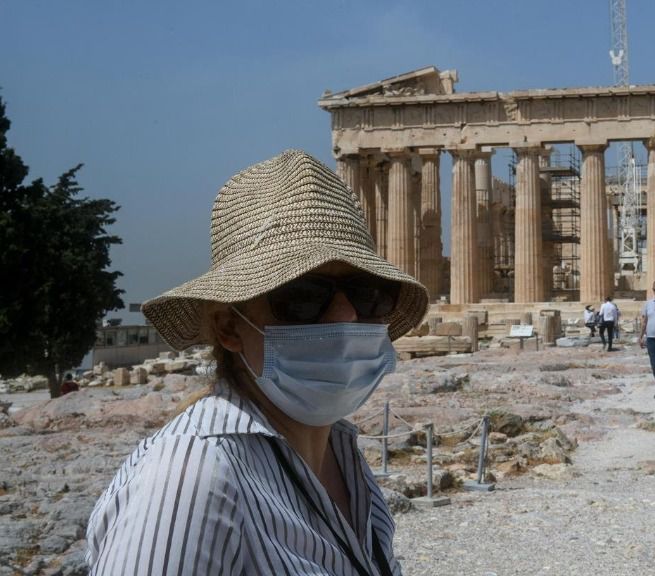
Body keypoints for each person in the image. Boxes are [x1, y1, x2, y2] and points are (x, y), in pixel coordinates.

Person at [86, 150, 427, 575]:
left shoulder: (342, 457)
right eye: (303, 297)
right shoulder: (189, 478)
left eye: (368, 293)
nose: (346, 317)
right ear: (229, 325)